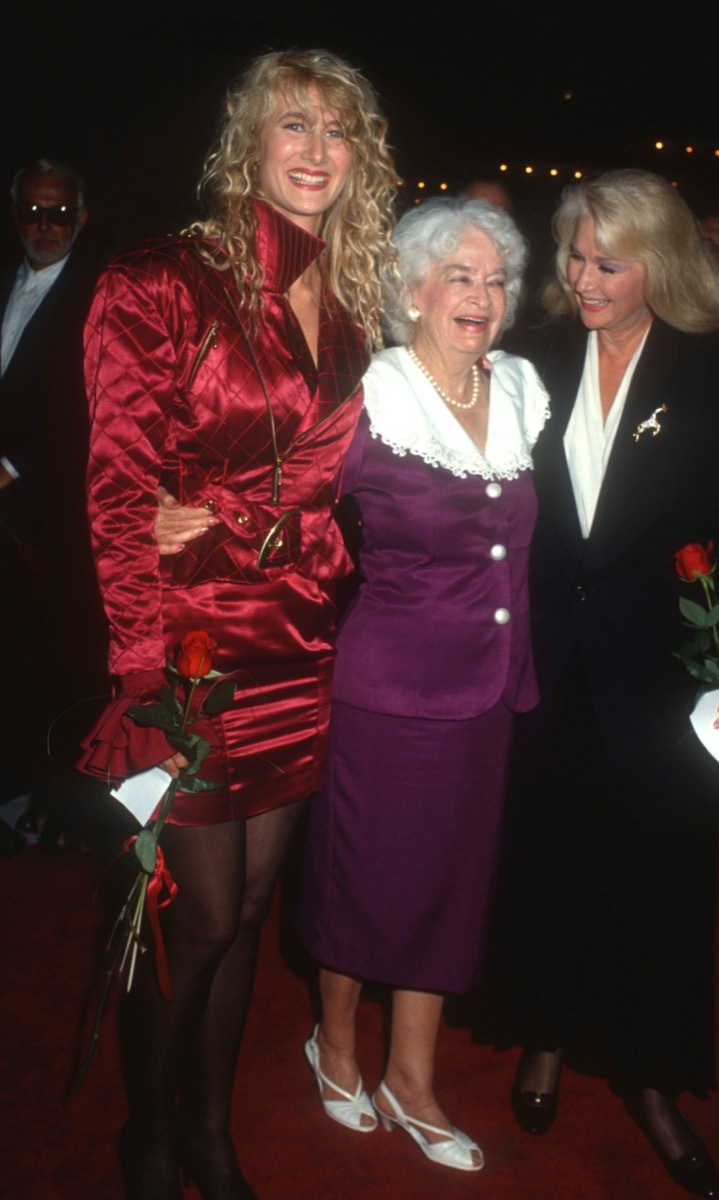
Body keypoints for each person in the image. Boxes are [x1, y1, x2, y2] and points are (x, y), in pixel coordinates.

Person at [79, 49, 397, 1200]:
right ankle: (144, 1135)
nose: (316, 150)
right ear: (247, 143)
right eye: (292, 126)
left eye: (338, 130)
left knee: (253, 910)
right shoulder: (158, 281)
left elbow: (357, 474)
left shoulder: (363, 296)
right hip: (192, 648)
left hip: (302, 638)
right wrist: (133, 676)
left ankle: (209, 1131)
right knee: (196, 914)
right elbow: (118, 499)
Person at [502, 170, 719, 1199]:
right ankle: (547, 1039)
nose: (581, 279)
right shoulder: (529, 357)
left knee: (659, 882)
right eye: (573, 256)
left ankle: (653, 1080)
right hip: (550, 665)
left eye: (607, 263)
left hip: (663, 672)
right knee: (552, 860)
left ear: (658, 263)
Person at [296, 197, 548, 1171]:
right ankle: (335, 1045)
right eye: (458, 275)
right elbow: (269, 489)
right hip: (387, 693)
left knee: (449, 891)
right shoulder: (370, 396)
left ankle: (410, 1078)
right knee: (363, 884)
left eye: (495, 280)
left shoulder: (524, 390)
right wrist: (175, 517)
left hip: (488, 696)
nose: (480, 297)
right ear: (410, 290)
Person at [0, 161, 107, 833]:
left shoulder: (97, 293)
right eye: (33, 213)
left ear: (82, 219)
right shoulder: (8, 280)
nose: (45, 226)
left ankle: (45, 806)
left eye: (60, 214)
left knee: (44, 663)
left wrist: (13, 464)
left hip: (46, 514)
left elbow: (89, 404)